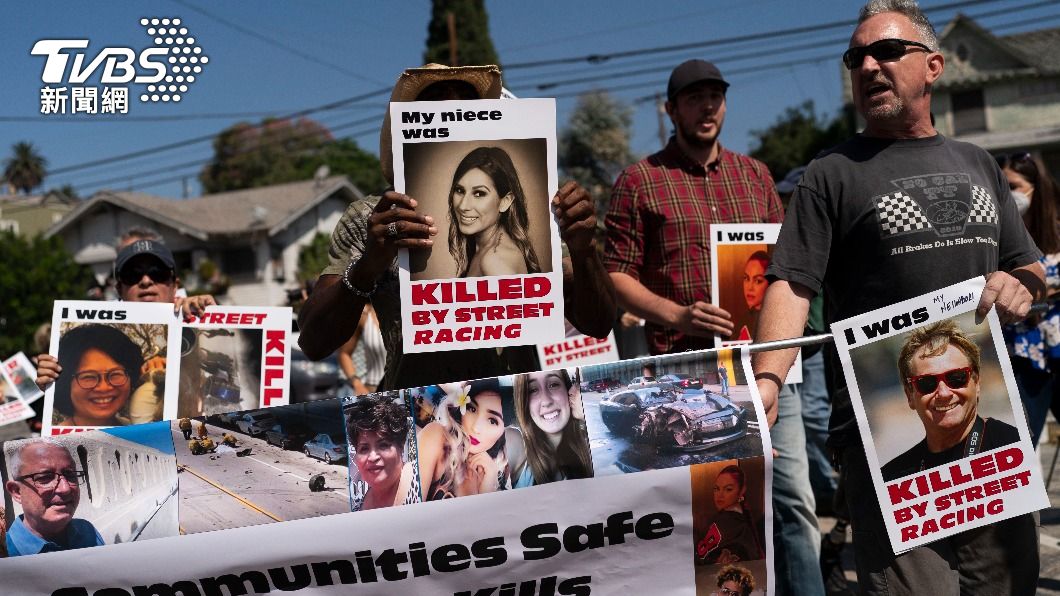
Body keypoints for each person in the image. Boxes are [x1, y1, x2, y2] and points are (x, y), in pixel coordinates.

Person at [751, 1, 1044, 592]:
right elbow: (793, 282)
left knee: (1006, 585)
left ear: (933, 66)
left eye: (886, 51)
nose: (868, 66)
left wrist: (1021, 285)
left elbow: (1029, 266)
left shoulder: (979, 163)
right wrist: (768, 379)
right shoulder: (830, 173)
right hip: (885, 439)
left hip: (991, 428)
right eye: (856, 57)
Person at [603, 58, 820, 594]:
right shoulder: (641, 181)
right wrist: (676, 314)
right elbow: (616, 274)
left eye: (716, 96)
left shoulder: (756, 175)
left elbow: (785, 266)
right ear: (671, 108)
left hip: (767, 362)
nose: (707, 107)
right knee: (706, 509)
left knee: (791, 498)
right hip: (691, 371)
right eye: (694, 98)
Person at [297, 64, 615, 391]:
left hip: (512, 407)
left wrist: (583, 249)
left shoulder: (539, 216)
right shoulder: (372, 217)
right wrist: (368, 266)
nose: (452, 119)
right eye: (435, 110)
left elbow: (599, 323)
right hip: (416, 414)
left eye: (464, 110)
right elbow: (313, 342)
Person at [35, 239, 216, 391]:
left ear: (175, 285)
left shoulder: (200, 320)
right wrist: (54, 384)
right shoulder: (97, 340)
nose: (146, 281)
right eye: (133, 275)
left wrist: (212, 314)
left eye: (157, 273)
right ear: (119, 289)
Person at [882, 321, 1019, 481]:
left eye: (957, 378)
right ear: (909, 396)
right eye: (927, 383)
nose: (944, 393)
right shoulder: (892, 477)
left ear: (977, 383)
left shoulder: (1016, 444)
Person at [999, 152, 1060, 445]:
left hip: (1057, 348)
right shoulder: (996, 236)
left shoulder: (1056, 229)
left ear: (1036, 187)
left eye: (1013, 186)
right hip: (1022, 356)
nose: (1008, 196)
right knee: (1022, 443)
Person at [447, 146, 542, 278]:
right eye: (459, 190)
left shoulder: (493, 261)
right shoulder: (487, 250)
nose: (463, 206)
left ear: (505, 201)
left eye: (479, 193)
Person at [4, 439, 104, 556]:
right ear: (17, 492)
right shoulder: (6, 553)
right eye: (45, 477)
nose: (65, 488)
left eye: (70, 475)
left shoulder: (87, 531)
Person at [417, 378, 509, 500]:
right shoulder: (436, 437)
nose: (476, 428)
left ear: (502, 432)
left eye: (492, 421)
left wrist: (488, 490)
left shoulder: (500, 474)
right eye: (471, 409)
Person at [506, 369, 592, 487]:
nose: (546, 401)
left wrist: (583, 413)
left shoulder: (587, 444)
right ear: (524, 401)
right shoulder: (513, 440)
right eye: (533, 390)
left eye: (553, 384)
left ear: (568, 390)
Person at [51, 325, 144, 428]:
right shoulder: (53, 440)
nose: (104, 388)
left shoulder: (135, 428)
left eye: (115, 374)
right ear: (66, 384)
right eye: (89, 377)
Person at [345, 394, 420, 511]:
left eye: (383, 445)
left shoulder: (418, 479)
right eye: (364, 449)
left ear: (400, 446)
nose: (373, 457)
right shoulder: (357, 509)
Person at [695, 465, 764, 566]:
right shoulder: (717, 518)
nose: (720, 495)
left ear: (741, 491)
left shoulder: (741, 526)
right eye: (716, 489)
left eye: (728, 489)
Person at [338, 303, 385, 396]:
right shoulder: (364, 315)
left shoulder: (408, 310)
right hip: (373, 392)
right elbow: (344, 353)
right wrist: (357, 383)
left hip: (408, 391)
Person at [733, 251, 770, 341]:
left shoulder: (776, 319)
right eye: (746, 278)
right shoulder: (740, 322)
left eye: (758, 281)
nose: (749, 288)